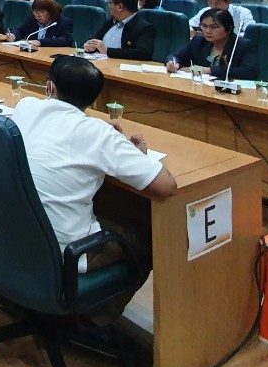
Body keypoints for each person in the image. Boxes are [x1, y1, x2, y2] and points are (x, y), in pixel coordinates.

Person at [10, 56, 175, 297]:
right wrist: (138, 154)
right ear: (94, 99)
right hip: (64, 253)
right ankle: (95, 313)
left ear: (50, 87)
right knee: (148, 236)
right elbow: (167, 187)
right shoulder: (99, 134)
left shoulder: (25, 106)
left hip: (14, 236)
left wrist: (106, 136)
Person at [167, 9, 260, 80]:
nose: (208, 31)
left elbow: (250, 72)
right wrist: (173, 63)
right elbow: (176, 56)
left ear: (229, 29)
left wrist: (208, 70)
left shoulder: (244, 46)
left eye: (214, 27)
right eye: (204, 26)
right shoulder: (199, 41)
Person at [83, 0, 156, 60]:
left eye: (110, 3)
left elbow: (143, 53)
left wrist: (108, 51)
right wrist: (90, 47)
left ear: (119, 7)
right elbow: (96, 42)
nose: (108, 6)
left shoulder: (144, 28)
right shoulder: (110, 23)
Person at [4, 0, 74, 47]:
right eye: (35, 12)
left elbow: (66, 40)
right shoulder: (32, 20)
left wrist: (41, 42)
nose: (38, 15)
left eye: (42, 12)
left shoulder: (63, 22)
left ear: (51, 12)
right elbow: (21, 30)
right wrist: (14, 35)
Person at [189, 0, 255, 35]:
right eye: (210, 3)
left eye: (217, 3)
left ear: (228, 1)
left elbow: (251, 32)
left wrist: (237, 37)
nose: (213, 7)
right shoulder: (205, 11)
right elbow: (189, 25)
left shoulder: (242, 12)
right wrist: (194, 32)